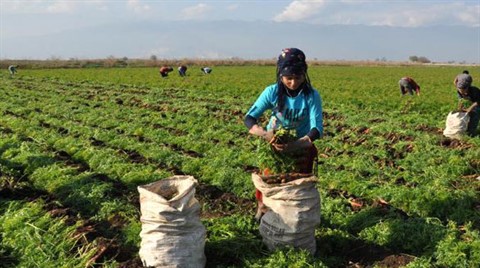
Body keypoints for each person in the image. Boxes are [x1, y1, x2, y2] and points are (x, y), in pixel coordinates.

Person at [244, 48, 323, 220]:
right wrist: (266, 135)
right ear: (281, 75)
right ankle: (263, 212)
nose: (294, 83)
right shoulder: (272, 92)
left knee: (296, 188)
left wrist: (295, 145)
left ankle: (294, 219)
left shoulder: (311, 95)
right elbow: (249, 119)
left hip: (301, 146)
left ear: (304, 74)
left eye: (298, 77)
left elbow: (316, 129)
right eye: (289, 78)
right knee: (270, 183)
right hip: (272, 146)